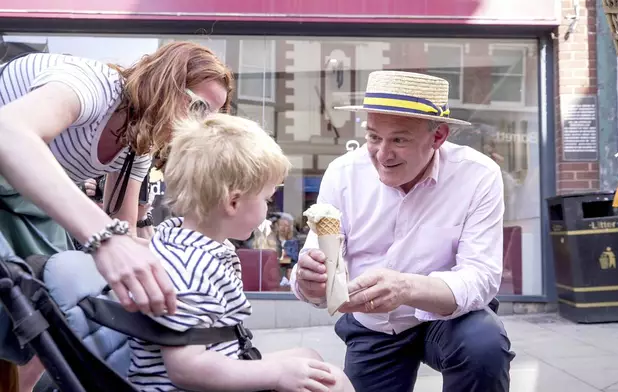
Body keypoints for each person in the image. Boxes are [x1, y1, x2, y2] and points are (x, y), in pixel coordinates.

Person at [0, 41, 233, 391]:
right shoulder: (91, 85)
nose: (199, 126)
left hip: (28, 204)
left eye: (209, 117)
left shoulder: (137, 143)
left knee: (44, 321)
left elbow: (126, 232)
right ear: (167, 82)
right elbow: (7, 132)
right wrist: (104, 237)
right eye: (198, 106)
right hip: (19, 189)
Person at [290, 70, 515, 392]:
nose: (382, 154)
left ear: (438, 137)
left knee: (484, 343)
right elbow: (319, 263)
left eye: (399, 139)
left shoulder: (477, 175)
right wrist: (309, 281)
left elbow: (482, 277)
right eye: (373, 137)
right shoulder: (343, 174)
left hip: (447, 317)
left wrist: (407, 287)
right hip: (372, 326)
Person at [129, 113, 354, 392]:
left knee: (312, 362)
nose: (267, 208)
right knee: (332, 382)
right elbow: (186, 368)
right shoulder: (189, 270)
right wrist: (275, 374)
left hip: (224, 362)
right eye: (265, 199)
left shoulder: (186, 243)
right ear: (233, 202)